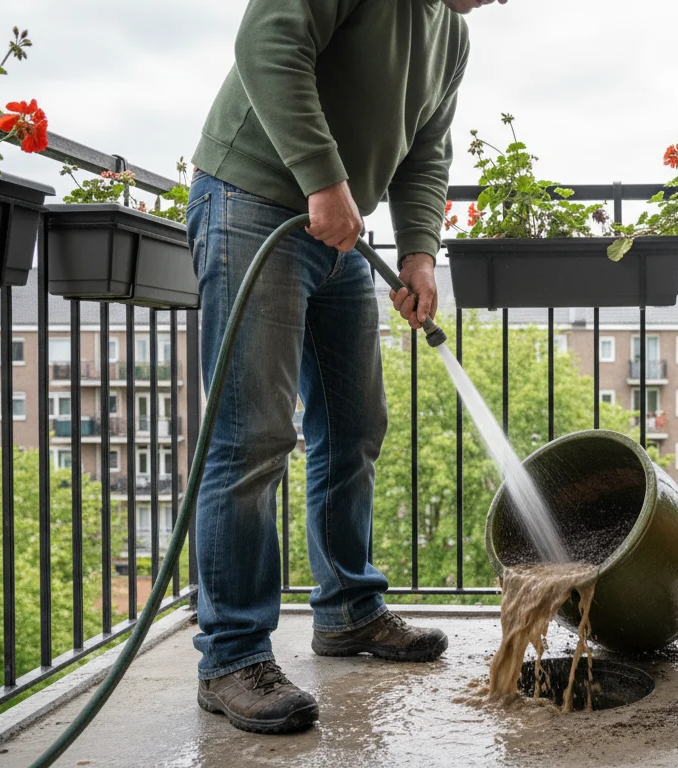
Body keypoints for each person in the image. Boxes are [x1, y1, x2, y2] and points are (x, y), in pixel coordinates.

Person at [185, 0, 507, 735]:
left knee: (356, 424)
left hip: (335, 232)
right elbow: (266, 41)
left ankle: (347, 611)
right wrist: (325, 179)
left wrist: (420, 250)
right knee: (253, 437)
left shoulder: (450, 34)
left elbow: (428, 148)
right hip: (252, 202)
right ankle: (232, 656)